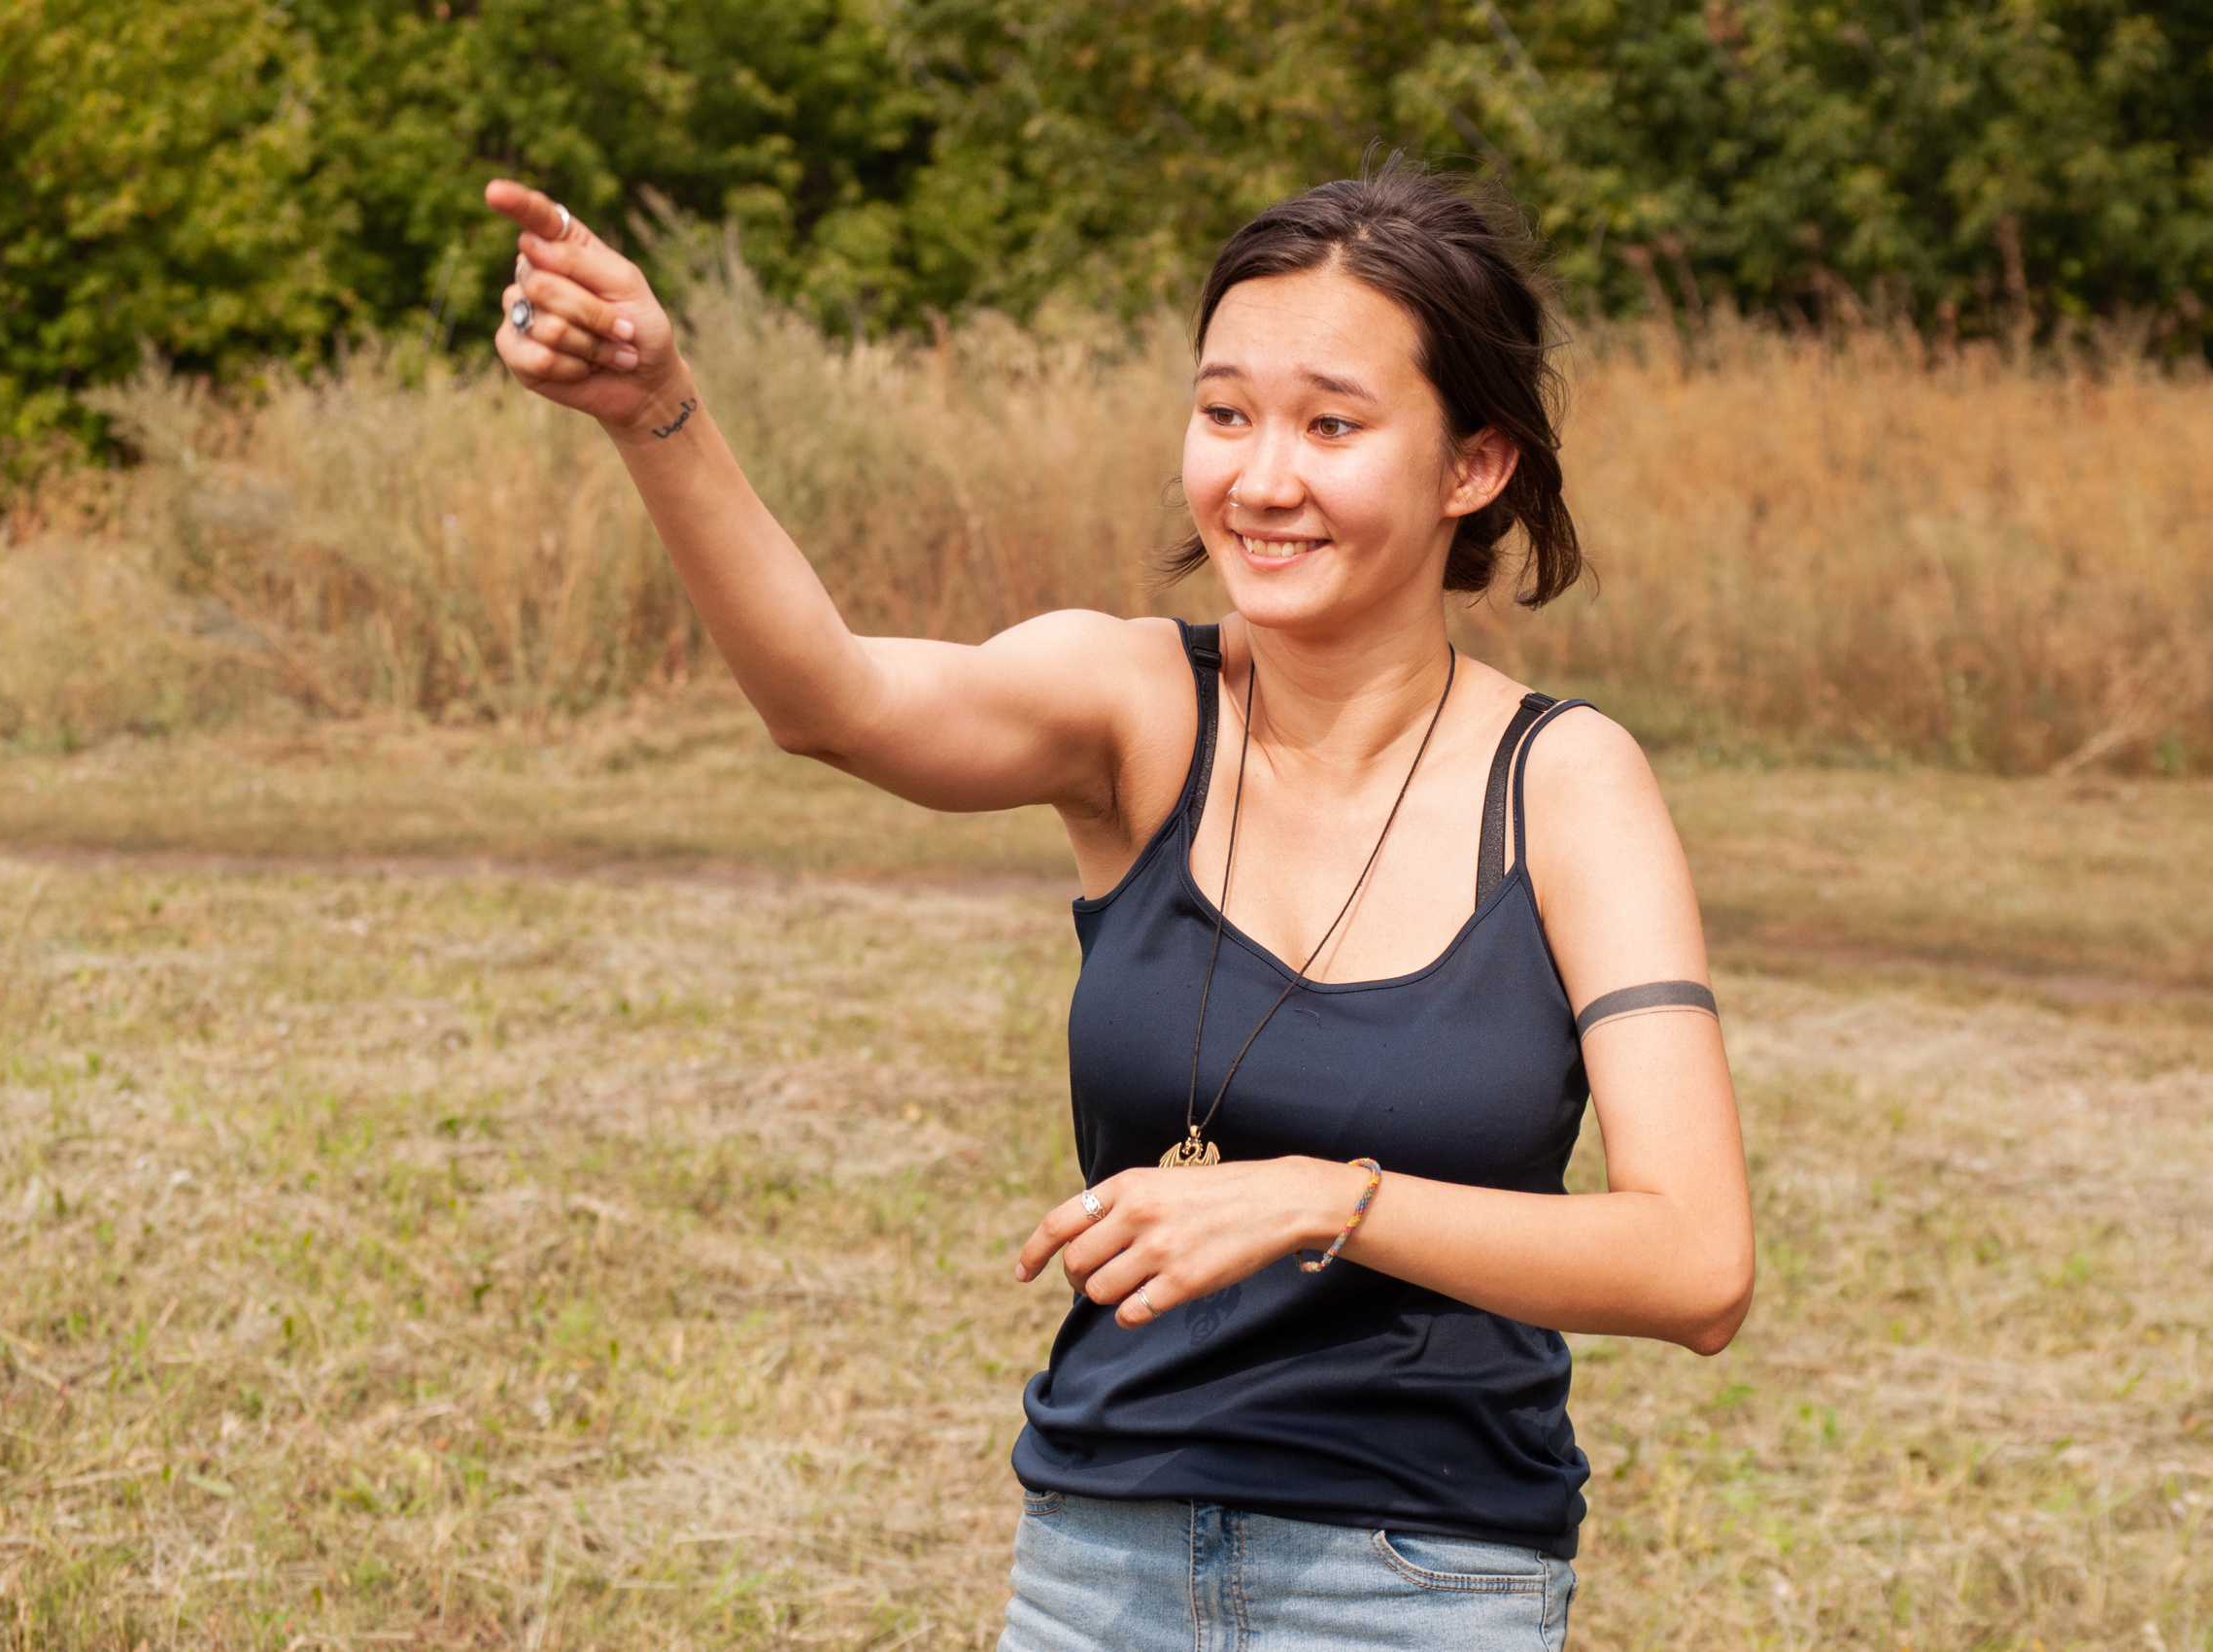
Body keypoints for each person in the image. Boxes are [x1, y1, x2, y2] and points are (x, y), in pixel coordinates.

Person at [487, 162, 1753, 1652]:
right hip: (1099, 1565)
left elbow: (1697, 1262)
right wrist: (658, 409)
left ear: (1473, 465)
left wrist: (1319, 1195)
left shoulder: (1565, 783)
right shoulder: (1139, 707)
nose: (1262, 478)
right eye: (1226, 414)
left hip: (1420, 1584)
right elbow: (831, 699)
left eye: (1332, 425)